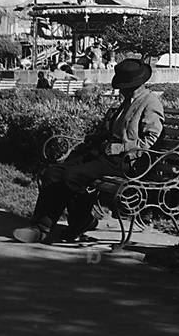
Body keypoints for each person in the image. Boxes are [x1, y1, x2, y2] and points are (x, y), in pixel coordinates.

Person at [12, 58, 164, 245]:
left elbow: (151, 140)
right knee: (53, 173)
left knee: (72, 176)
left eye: (123, 86)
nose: (120, 90)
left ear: (134, 84)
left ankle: (73, 223)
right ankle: (40, 226)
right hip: (105, 154)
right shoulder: (127, 101)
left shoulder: (150, 103)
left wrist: (121, 147)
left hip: (125, 161)